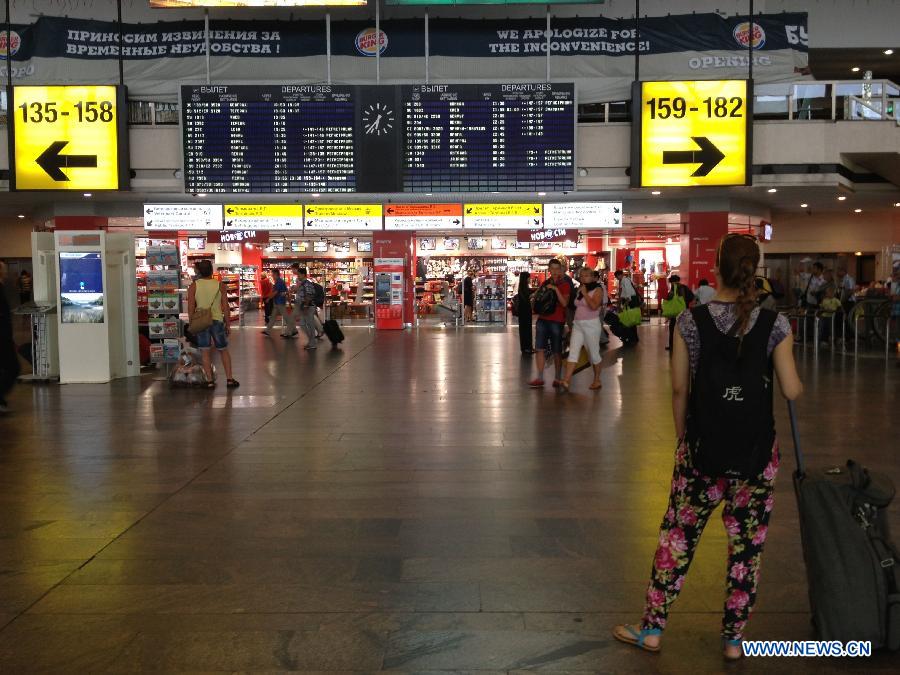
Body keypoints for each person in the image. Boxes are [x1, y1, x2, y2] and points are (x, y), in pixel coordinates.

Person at [613, 233, 802, 661]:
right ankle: (733, 641)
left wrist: (684, 440)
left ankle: (653, 630)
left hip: (701, 453)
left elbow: (680, 389)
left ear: (715, 266)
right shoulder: (776, 324)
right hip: (757, 458)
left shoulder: (690, 321)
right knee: (746, 550)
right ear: (754, 269)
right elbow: (791, 390)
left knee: (677, 540)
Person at [187, 260, 239, 389]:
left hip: (201, 322)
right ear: (211, 271)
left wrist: (192, 323)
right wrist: (228, 324)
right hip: (217, 321)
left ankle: (209, 381)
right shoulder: (220, 285)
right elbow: (225, 306)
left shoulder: (194, 286)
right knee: (223, 350)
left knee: (205, 352)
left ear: (198, 271)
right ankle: (229, 379)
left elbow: (190, 307)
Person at [529, 259, 574, 388]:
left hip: (557, 320)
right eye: (552, 268)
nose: (554, 271)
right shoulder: (545, 283)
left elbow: (565, 303)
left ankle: (557, 378)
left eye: (557, 269)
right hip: (543, 319)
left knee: (556, 350)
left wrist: (555, 289)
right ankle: (540, 377)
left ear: (560, 270)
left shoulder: (565, 284)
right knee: (539, 348)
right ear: (549, 270)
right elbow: (536, 297)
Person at [560, 266, 605, 391]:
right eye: (582, 276)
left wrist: (585, 293)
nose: (584, 278)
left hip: (591, 324)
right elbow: (576, 305)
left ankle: (597, 380)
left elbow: (594, 306)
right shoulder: (580, 289)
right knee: (573, 351)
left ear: (592, 277)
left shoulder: (597, 290)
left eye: (586, 276)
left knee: (594, 353)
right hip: (578, 324)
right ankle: (567, 380)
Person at [0, 261, 19, 413]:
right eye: (4, 270)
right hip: (2, 338)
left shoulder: (2, 287)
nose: (6, 272)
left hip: (5, 337)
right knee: (13, 367)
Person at [665, 275, 694, 351]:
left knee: (672, 329)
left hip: (675, 313)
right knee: (684, 330)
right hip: (684, 312)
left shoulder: (673, 289)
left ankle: (672, 346)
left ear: (672, 281)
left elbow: (668, 300)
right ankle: (684, 346)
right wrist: (685, 303)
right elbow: (691, 297)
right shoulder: (685, 287)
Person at [262, 268, 294, 337]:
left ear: (276, 274)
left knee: (286, 317)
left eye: (272, 274)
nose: (272, 276)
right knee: (273, 317)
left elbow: (275, 292)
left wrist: (268, 298)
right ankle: (267, 330)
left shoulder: (279, 282)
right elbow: (286, 291)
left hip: (280, 302)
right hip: (277, 302)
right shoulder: (279, 281)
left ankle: (294, 330)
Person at [293, 266, 319, 350]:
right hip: (303, 307)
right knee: (302, 324)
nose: (298, 276)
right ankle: (311, 341)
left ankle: (312, 343)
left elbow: (309, 295)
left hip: (308, 307)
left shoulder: (307, 283)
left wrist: (306, 305)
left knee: (310, 325)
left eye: (299, 275)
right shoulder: (302, 283)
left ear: (303, 274)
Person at [614, 269, 640, 345]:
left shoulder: (625, 280)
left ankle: (634, 338)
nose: (617, 278)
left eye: (616, 277)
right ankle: (633, 337)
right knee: (630, 319)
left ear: (620, 275)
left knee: (631, 319)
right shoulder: (624, 280)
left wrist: (626, 301)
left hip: (631, 300)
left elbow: (628, 292)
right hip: (630, 300)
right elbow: (624, 292)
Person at [515, 272, 534, 354]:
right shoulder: (524, 289)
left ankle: (525, 347)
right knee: (527, 329)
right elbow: (527, 297)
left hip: (522, 312)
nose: (530, 279)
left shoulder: (522, 288)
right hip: (525, 312)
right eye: (529, 278)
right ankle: (528, 347)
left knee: (523, 330)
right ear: (526, 279)